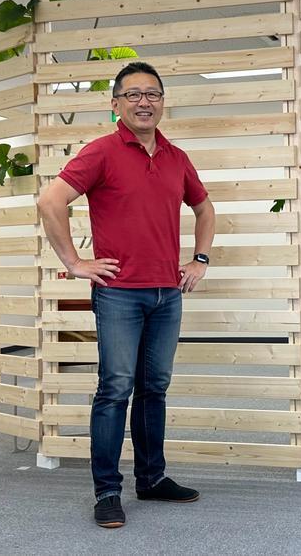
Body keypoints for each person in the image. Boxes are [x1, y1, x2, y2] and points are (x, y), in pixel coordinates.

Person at [38, 61, 216, 528]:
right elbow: (50, 201)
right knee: (115, 390)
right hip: (119, 294)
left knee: (154, 389)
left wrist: (199, 259)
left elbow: (204, 209)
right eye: (133, 94)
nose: (144, 102)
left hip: (167, 294)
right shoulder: (101, 152)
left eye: (152, 94)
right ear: (115, 103)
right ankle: (107, 492)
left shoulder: (176, 157)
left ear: (162, 102)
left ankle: (152, 480)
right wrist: (74, 263)